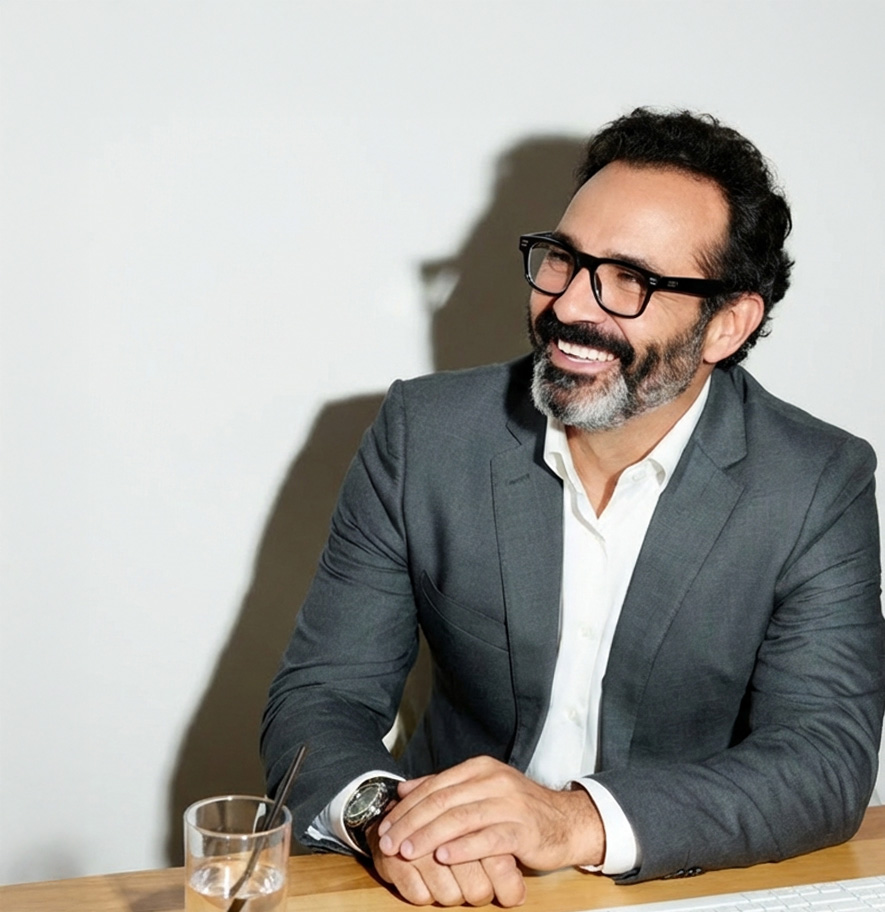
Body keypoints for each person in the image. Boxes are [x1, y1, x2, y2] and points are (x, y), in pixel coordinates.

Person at [261, 108, 885, 908]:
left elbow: (821, 763)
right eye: (562, 259)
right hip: (446, 880)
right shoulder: (425, 435)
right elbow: (321, 698)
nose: (567, 307)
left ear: (725, 324)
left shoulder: (815, 482)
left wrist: (572, 821)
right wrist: (393, 821)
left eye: (631, 280)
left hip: (670, 883)